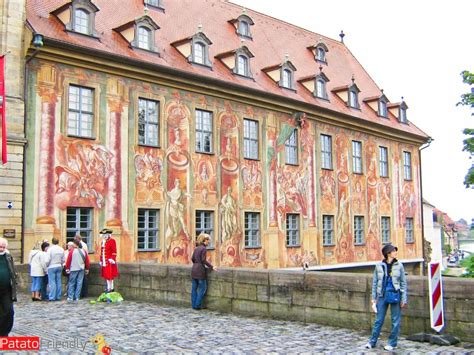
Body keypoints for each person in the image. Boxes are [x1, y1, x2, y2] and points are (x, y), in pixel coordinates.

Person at [365, 244, 407, 351]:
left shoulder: (399, 265)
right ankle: (372, 341)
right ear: (388, 253)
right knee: (378, 320)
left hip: (394, 294)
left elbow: (403, 283)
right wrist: (373, 297)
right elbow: (375, 282)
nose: (395, 252)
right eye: (393, 251)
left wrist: (403, 299)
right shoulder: (379, 266)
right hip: (382, 295)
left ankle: (392, 343)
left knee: (395, 320)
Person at [191, 233, 217, 310]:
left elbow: (192, 259)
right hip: (200, 271)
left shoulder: (197, 248)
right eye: (208, 240)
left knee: (194, 289)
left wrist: (196, 264)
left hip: (194, 269)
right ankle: (197, 305)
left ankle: (194, 305)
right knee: (203, 288)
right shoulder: (203, 249)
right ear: (205, 240)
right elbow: (203, 260)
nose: (209, 242)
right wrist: (212, 267)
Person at [0, 238, 17, 336]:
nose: (1, 249)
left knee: (9, 311)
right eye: (0, 247)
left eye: (3, 247)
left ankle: (4, 332)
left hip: (6, 289)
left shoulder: (8, 256)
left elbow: (12, 270)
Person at [99, 228, 118, 293]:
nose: (104, 236)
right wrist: (101, 260)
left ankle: (111, 288)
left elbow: (114, 251)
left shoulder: (112, 241)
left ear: (108, 235)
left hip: (109, 261)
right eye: (104, 235)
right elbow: (102, 252)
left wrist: (112, 258)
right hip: (105, 261)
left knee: (110, 275)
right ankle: (108, 287)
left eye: (106, 234)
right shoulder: (103, 242)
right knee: (106, 275)